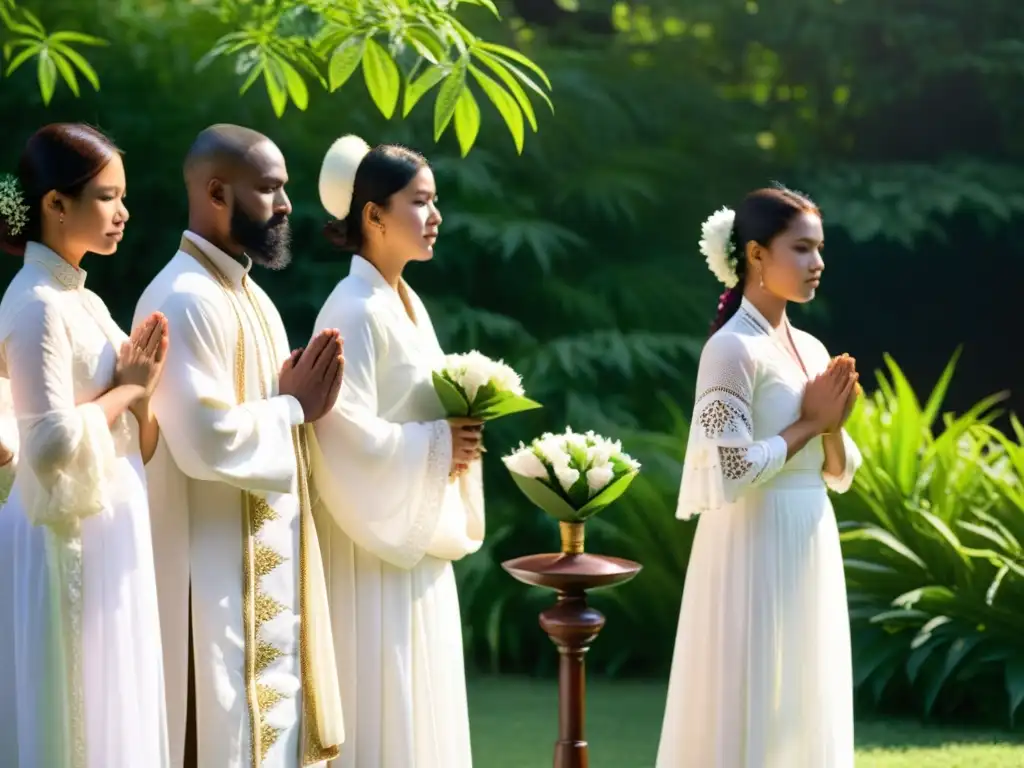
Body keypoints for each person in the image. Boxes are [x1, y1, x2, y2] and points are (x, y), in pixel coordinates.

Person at [133, 124, 345, 768]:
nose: (285, 205)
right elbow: (203, 439)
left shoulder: (250, 295)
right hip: (207, 574)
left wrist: (289, 403)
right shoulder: (184, 297)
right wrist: (292, 407)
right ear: (217, 192)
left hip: (256, 566)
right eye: (270, 189)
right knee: (213, 734)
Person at [656, 186, 862, 768]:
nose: (817, 263)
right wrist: (810, 423)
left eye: (819, 249)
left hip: (809, 530)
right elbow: (731, 469)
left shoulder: (813, 347)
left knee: (803, 689)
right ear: (755, 255)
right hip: (752, 538)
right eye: (801, 248)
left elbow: (842, 472)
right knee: (753, 687)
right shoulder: (731, 350)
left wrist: (831, 428)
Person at [307, 135, 484, 768]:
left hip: (413, 533)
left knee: (422, 703)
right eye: (420, 202)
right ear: (373, 215)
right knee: (386, 701)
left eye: (435, 202)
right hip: (371, 544)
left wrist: (454, 442)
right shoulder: (352, 309)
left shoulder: (405, 303)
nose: (435, 216)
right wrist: (439, 443)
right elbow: (337, 431)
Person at [0, 123, 170, 767]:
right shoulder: (37, 304)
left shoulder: (88, 303)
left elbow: (141, 447)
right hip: (62, 537)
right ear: (54, 204)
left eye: (122, 196)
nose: (123, 213)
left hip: (111, 530)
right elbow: (43, 445)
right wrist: (126, 391)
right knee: (76, 726)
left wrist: (143, 392)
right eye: (106, 196)